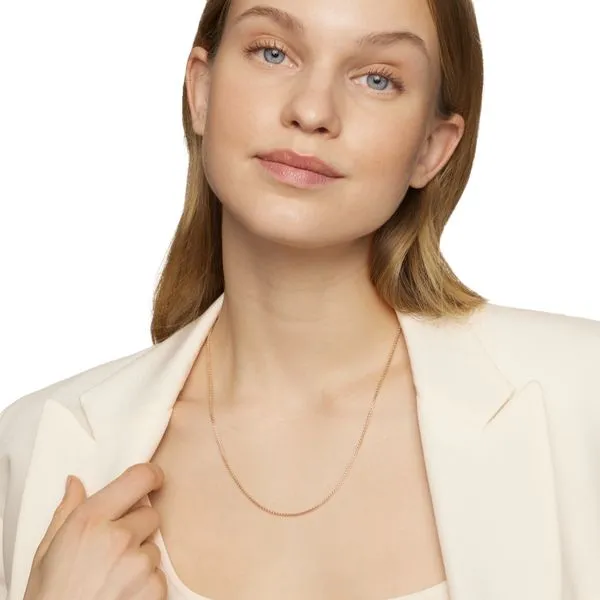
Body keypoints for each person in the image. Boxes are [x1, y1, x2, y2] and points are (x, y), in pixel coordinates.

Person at [1, 0, 599, 598]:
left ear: (432, 148)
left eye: (377, 79)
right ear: (201, 91)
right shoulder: (35, 450)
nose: (312, 112)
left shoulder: (581, 400)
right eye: (272, 52)